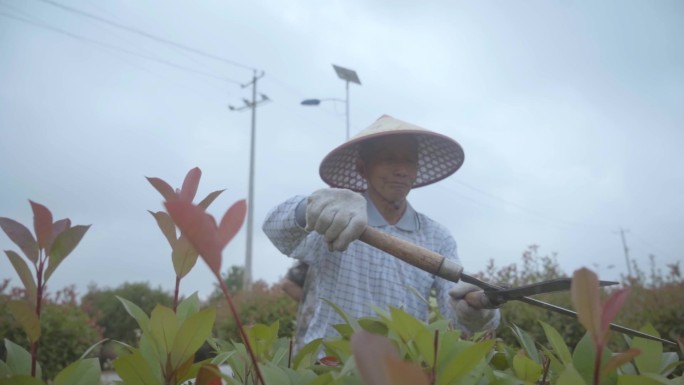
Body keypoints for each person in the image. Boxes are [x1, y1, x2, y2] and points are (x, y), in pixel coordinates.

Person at [263, 114, 500, 351]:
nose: (401, 170)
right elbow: (275, 229)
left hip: (402, 366)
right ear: (362, 168)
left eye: (409, 160)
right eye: (388, 158)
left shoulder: (437, 237)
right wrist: (311, 206)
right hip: (332, 365)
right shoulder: (337, 218)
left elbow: (455, 310)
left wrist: (476, 310)